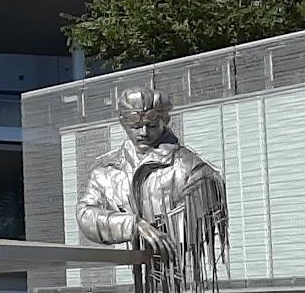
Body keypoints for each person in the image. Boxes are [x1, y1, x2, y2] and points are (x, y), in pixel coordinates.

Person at [76, 87, 226, 273]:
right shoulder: (106, 172)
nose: (144, 132)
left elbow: (196, 231)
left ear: (165, 122)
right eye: (136, 126)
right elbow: (85, 215)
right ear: (123, 123)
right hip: (139, 277)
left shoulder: (190, 168)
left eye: (152, 125)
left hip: (181, 276)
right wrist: (132, 225)